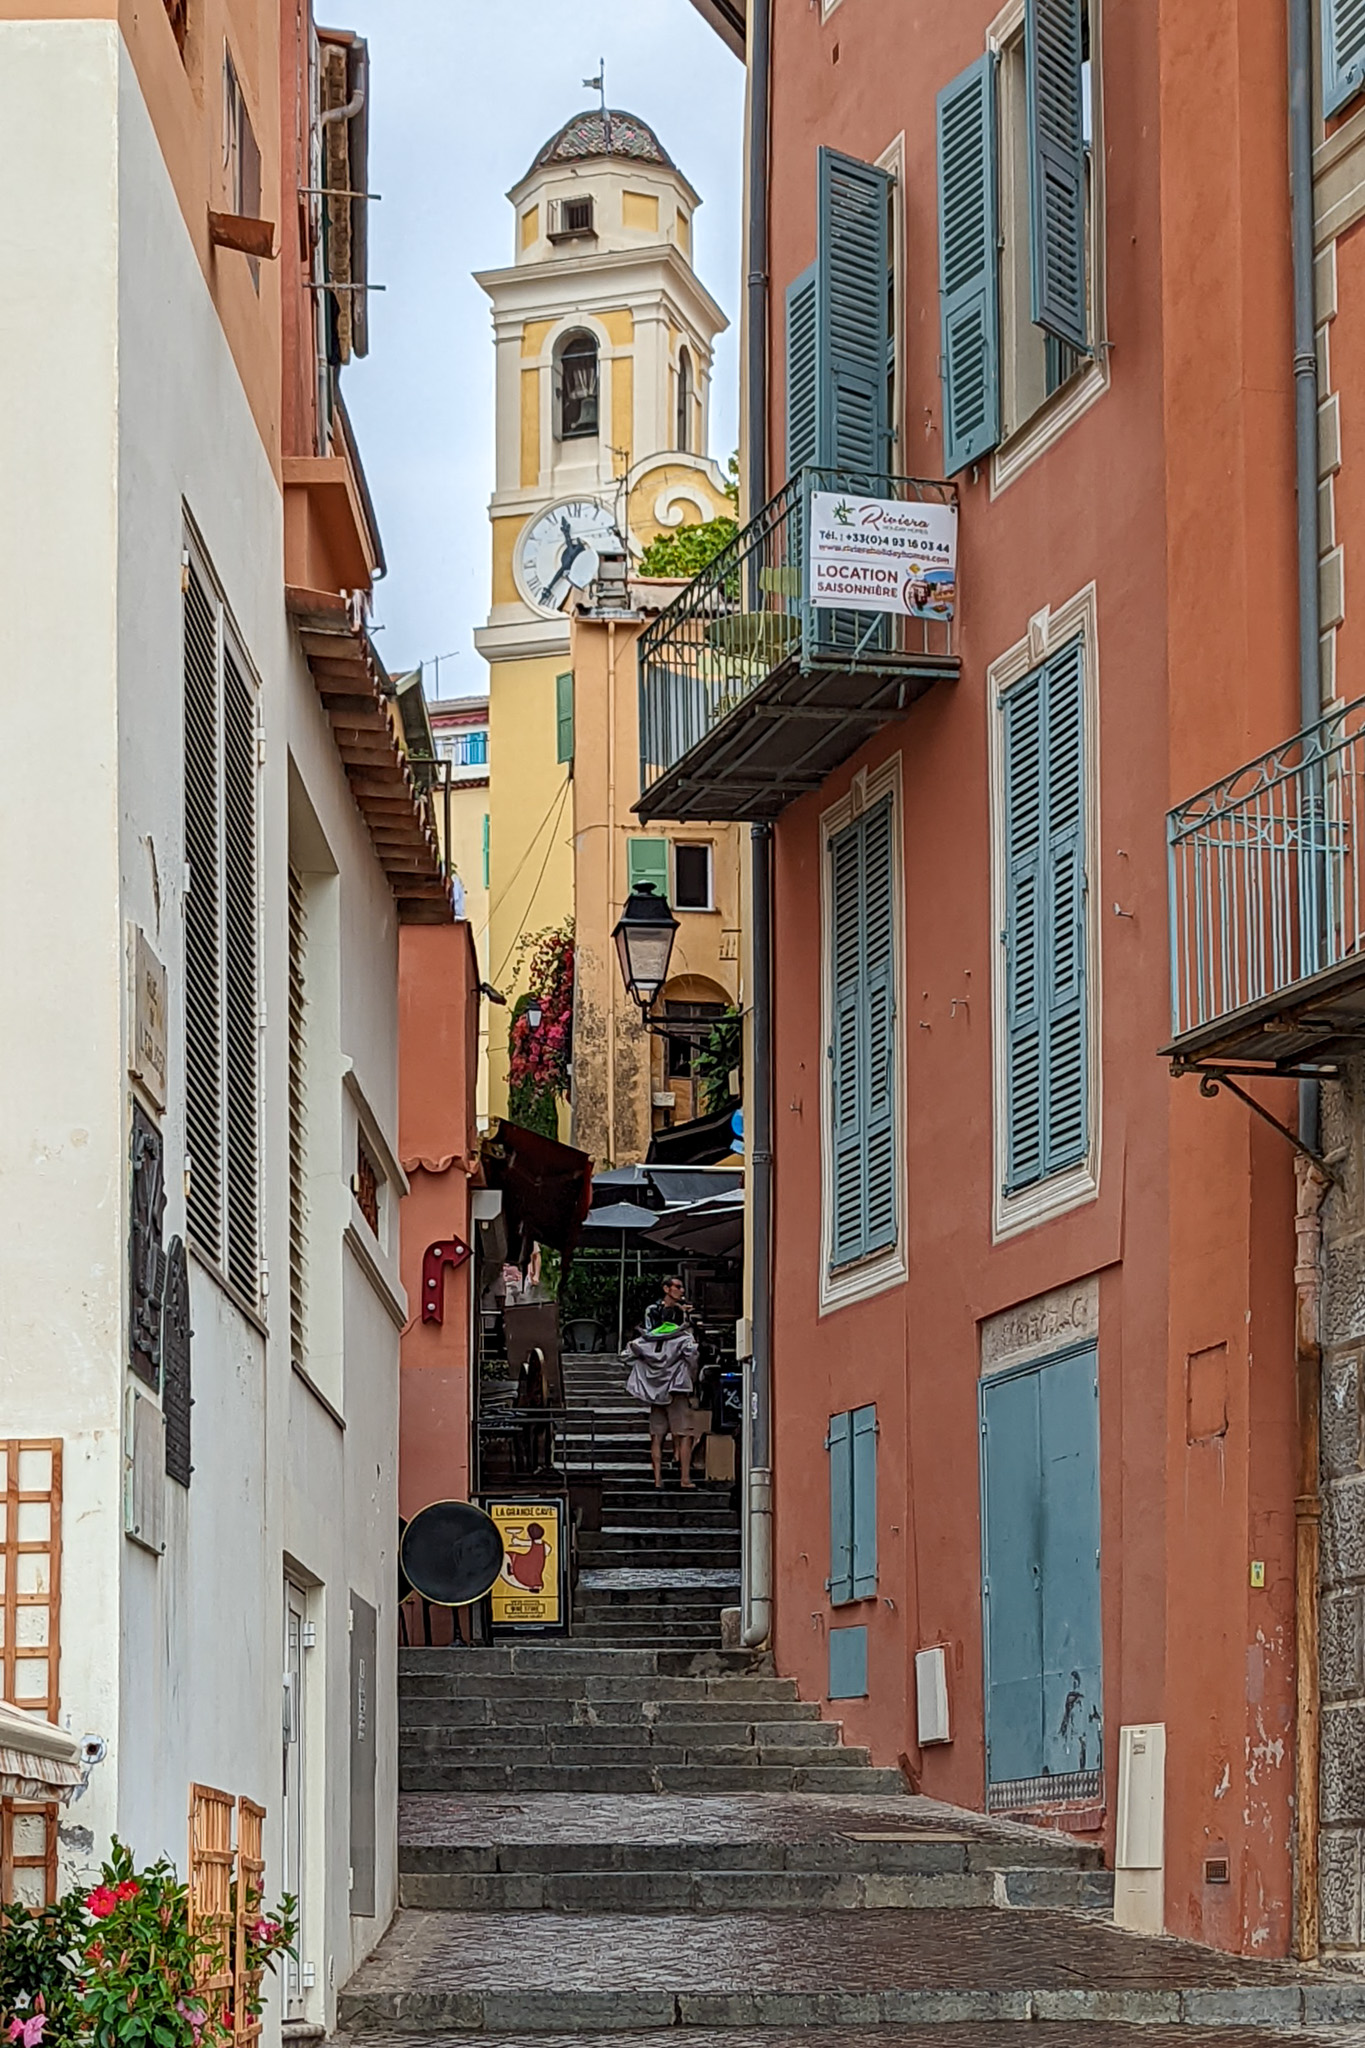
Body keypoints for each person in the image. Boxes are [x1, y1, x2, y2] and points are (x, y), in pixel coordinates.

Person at [623, 1317, 701, 1489]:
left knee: (656, 1437)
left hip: (655, 1393)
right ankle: (685, 1479)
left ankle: (657, 1479)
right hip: (677, 1391)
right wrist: (692, 1378)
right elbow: (692, 1357)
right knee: (685, 1434)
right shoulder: (683, 1339)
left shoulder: (645, 1341)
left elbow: (627, 1355)